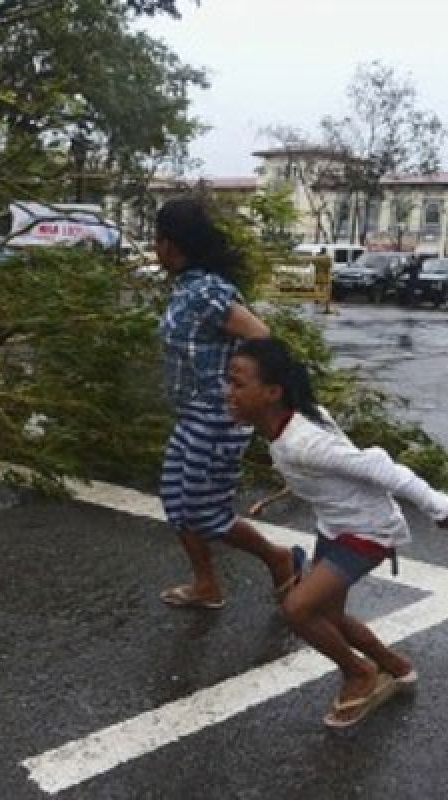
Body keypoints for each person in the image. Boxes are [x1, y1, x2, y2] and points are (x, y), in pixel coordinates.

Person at [226, 337, 448, 729]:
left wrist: (440, 506)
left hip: (367, 532)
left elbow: (378, 467)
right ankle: (395, 666)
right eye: (229, 382)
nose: (229, 393)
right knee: (325, 617)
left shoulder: (305, 443)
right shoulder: (290, 421)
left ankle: (359, 673)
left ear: (272, 393)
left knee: (298, 608)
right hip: (336, 526)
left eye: (238, 385)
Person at [155, 197, 304, 610]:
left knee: (204, 512)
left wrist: (243, 389)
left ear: (169, 244)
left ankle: (280, 558)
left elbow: (262, 336)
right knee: (176, 500)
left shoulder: (208, 291)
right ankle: (206, 585)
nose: (155, 247)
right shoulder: (189, 287)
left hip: (218, 418)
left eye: (157, 239)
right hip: (191, 415)